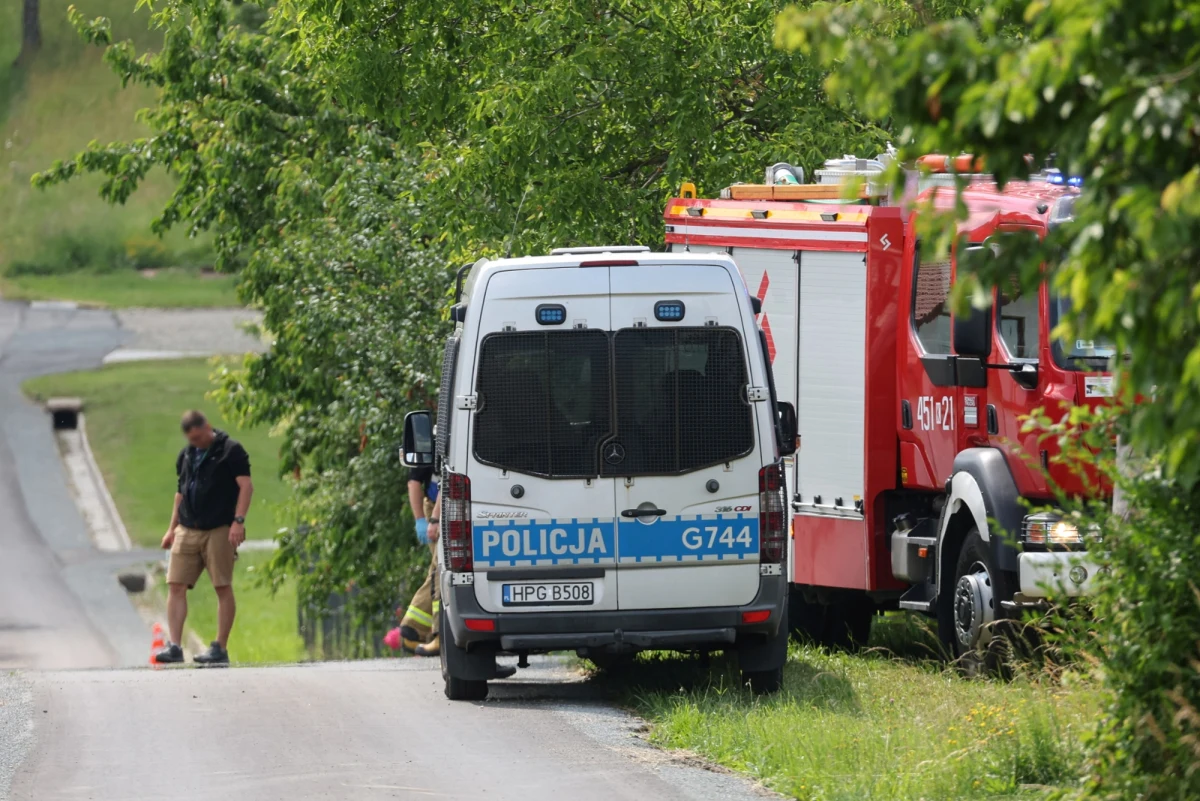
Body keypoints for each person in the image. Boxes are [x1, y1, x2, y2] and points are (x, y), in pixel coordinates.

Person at [154, 410, 254, 666]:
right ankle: (175, 646)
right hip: (187, 528)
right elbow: (181, 493)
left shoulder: (231, 451)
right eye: (192, 439)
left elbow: (246, 486)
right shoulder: (186, 454)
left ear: (207, 426)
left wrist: (238, 521)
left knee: (222, 585)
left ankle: (220, 647)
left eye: (199, 437)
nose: (196, 442)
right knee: (175, 584)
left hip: (219, 528)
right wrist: (171, 528)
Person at [395, 463, 440, 653]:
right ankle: (434, 633)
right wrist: (422, 520)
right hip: (436, 507)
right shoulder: (430, 442)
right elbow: (414, 482)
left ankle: (415, 627)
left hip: (447, 506)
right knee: (442, 569)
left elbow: (450, 484)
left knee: (440, 568)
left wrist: (433, 519)